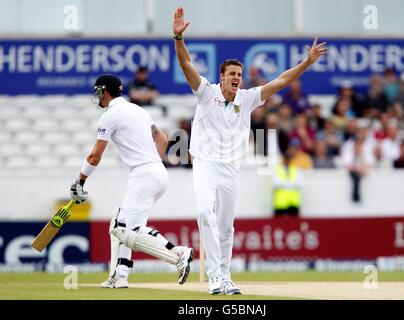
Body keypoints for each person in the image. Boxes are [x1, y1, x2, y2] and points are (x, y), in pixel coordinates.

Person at [172, 6, 327, 295]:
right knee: (205, 214)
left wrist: (306, 63)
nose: (236, 77)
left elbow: (281, 81)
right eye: (232, 73)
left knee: (226, 226)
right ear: (221, 77)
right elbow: (186, 66)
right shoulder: (206, 92)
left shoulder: (247, 98)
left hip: (231, 168)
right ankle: (215, 278)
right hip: (205, 164)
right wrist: (178, 38)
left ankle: (226, 277)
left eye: (240, 74)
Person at [69, 74, 194, 289]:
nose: (97, 96)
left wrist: (80, 181)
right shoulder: (138, 110)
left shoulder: (110, 116)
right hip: (157, 171)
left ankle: (177, 255)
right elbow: (163, 140)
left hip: (143, 174)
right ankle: (119, 276)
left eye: (98, 92)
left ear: (104, 92)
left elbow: (94, 156)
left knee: (125, 229)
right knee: (119, 224)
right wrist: (152, 162)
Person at [273, 147, 304, 217]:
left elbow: (299, 184)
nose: (287, 160)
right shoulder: (277, 169)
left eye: (289, 158)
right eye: (286, 157)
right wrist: (290, 183)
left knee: (294, 225)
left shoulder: (295, 169)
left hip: (293, 203)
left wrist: (284, 183)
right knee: (278, 224)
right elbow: (275, 183)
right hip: (280, 203)